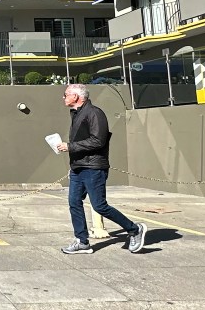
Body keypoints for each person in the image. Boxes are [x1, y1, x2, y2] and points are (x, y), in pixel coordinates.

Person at [56, 83, 147, 254]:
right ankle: (82, 242)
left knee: (99, 206)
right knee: (74, 203)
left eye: (66, 94)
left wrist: (70, 147)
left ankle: (135, 229)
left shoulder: (94, 113)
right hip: (78, 167)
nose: (63, 97)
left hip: (93, 168)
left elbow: (98, 141)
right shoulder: (77, 114)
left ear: (76, 96)